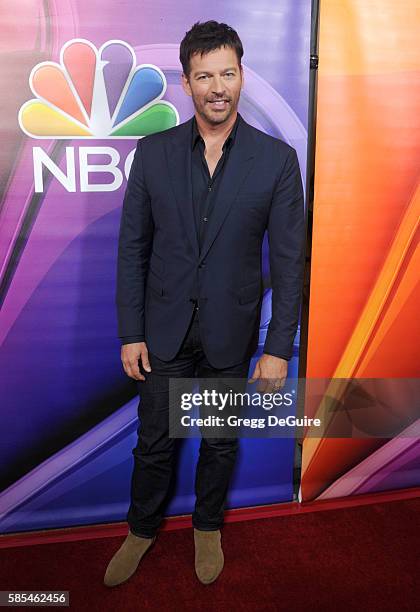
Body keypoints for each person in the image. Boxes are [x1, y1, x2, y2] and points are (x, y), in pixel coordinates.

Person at [104, 20, 305, 587]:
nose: (218, 87)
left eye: (228, 73)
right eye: (204, 76)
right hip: (162, 331)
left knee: (219, 442)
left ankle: (208, 526)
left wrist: (277, 348)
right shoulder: (153, 154)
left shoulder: (276, 161)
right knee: (154, 443)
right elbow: (132, 250)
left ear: (241, 76)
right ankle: (141, 529)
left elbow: (289, 264)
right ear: (187, 83)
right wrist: (130, 331)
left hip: (230, 334)